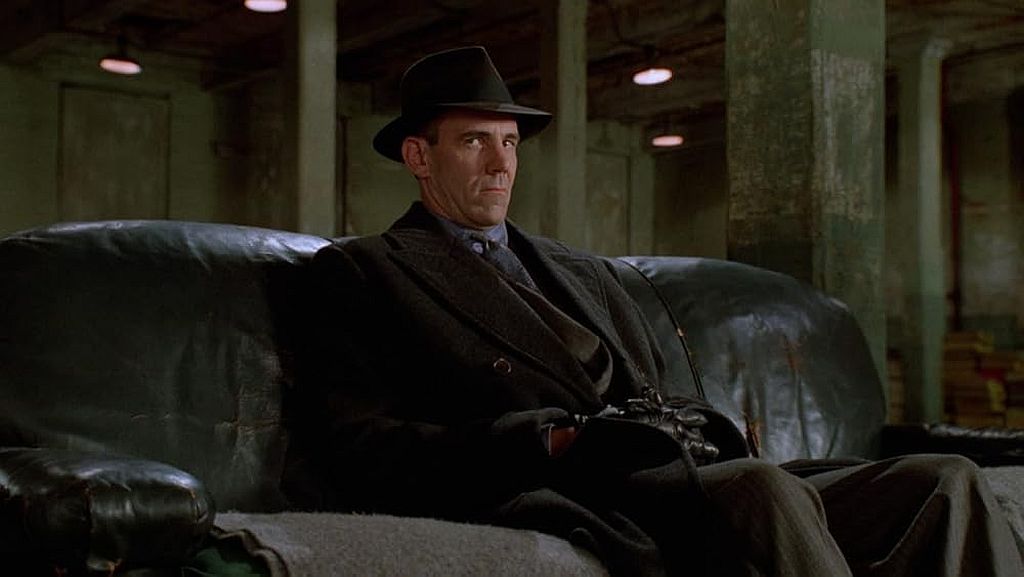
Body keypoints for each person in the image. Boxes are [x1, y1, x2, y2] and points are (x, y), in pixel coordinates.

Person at [283, 46, 1023, 577]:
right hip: (577, 484)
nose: (502, 164)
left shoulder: (583, 269)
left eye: (508, 143)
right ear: (419, 157)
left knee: (945, 479)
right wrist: (551, 441)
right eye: (475, 141)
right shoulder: (366, 270)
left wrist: (692, 431)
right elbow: (359, 447)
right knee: (760, 491)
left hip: (685, 464)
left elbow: (663, 392)